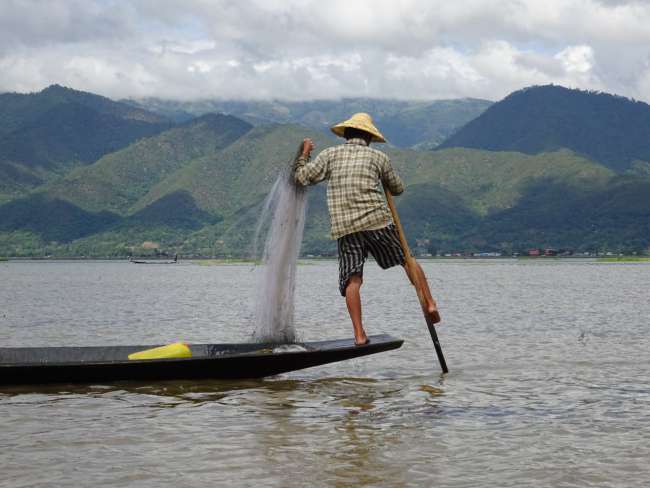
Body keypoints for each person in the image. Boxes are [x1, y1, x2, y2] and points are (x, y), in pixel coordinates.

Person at [293, 112, 440, 345]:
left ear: (347, 135)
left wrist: (304, 154)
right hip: (377, 221)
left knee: (353, 280)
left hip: (346, 227)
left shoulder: (330, 155)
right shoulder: (378, 157)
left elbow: (302, 177)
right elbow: (398, 188)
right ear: (369, 137)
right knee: (406, 260)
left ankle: (359, 335)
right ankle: (430, 302)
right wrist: (381, 175)